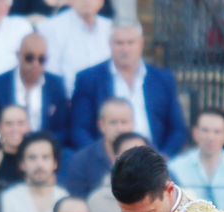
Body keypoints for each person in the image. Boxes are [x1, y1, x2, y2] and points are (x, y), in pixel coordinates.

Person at [69, 21, 186, 155]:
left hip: (153, 161)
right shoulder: (89, 79)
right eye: (119, 43)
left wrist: (163, 158)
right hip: (106, 162)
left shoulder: (164, 79)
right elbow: (79, 129)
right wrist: (99, 160)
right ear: (110, 44)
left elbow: (178, 129)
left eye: (131, 42)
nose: (125, 49)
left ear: (141, 43)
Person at [0, 33, 69, 148]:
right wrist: (6, 142)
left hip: (45, 153)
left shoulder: (56, 85)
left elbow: (63, 130)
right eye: (29, 58)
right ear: (18, 55)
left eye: (42, 59)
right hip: (7, 152)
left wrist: (44, 145)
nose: (35, 64)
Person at [167, 108, 224, 211]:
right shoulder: (175, 168)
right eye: (205, 130)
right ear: (195, 133)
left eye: (217, 132)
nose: (210, 137)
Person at [0, 131, 67, 212]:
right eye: (32, 158)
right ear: (22, 164)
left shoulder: (64, 197)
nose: (39, 164)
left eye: (45, 157)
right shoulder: (9, 198)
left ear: (55, 163)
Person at [37, 0, 112, 96]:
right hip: (68, 101)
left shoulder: (110, 29)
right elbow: (51, 75)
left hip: (107, 102)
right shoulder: (52, 28)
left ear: (102, 2)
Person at [64, 98, 133, 200]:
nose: (120, 128)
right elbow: (77, 200)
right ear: (101, 125)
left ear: (132, 124)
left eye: (124, 122)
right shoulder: (82, 160)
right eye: (113, 122)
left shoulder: (148, 155)